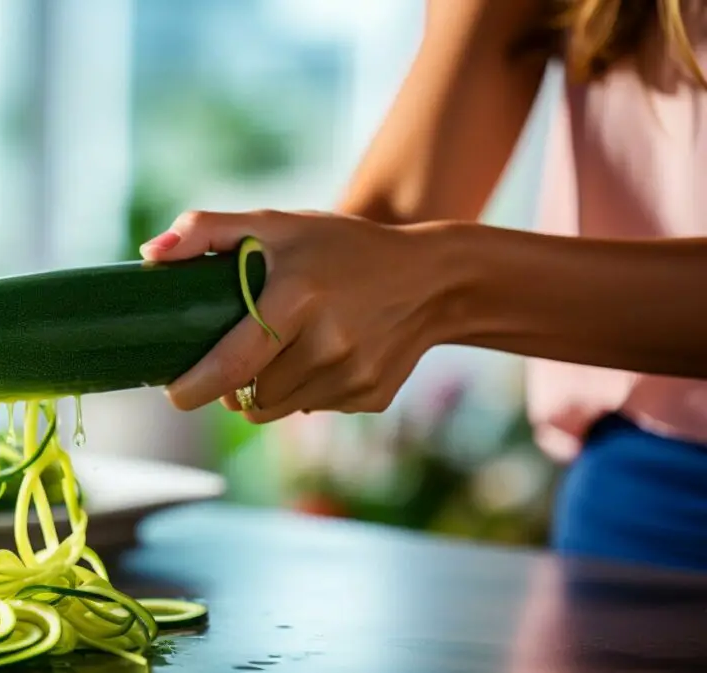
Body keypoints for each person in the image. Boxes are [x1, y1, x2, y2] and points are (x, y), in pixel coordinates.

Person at [140, 0, 707, 573]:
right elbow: (398, 211)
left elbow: (417, 261)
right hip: (638, 494)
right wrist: (290, 282)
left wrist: (448, 281)